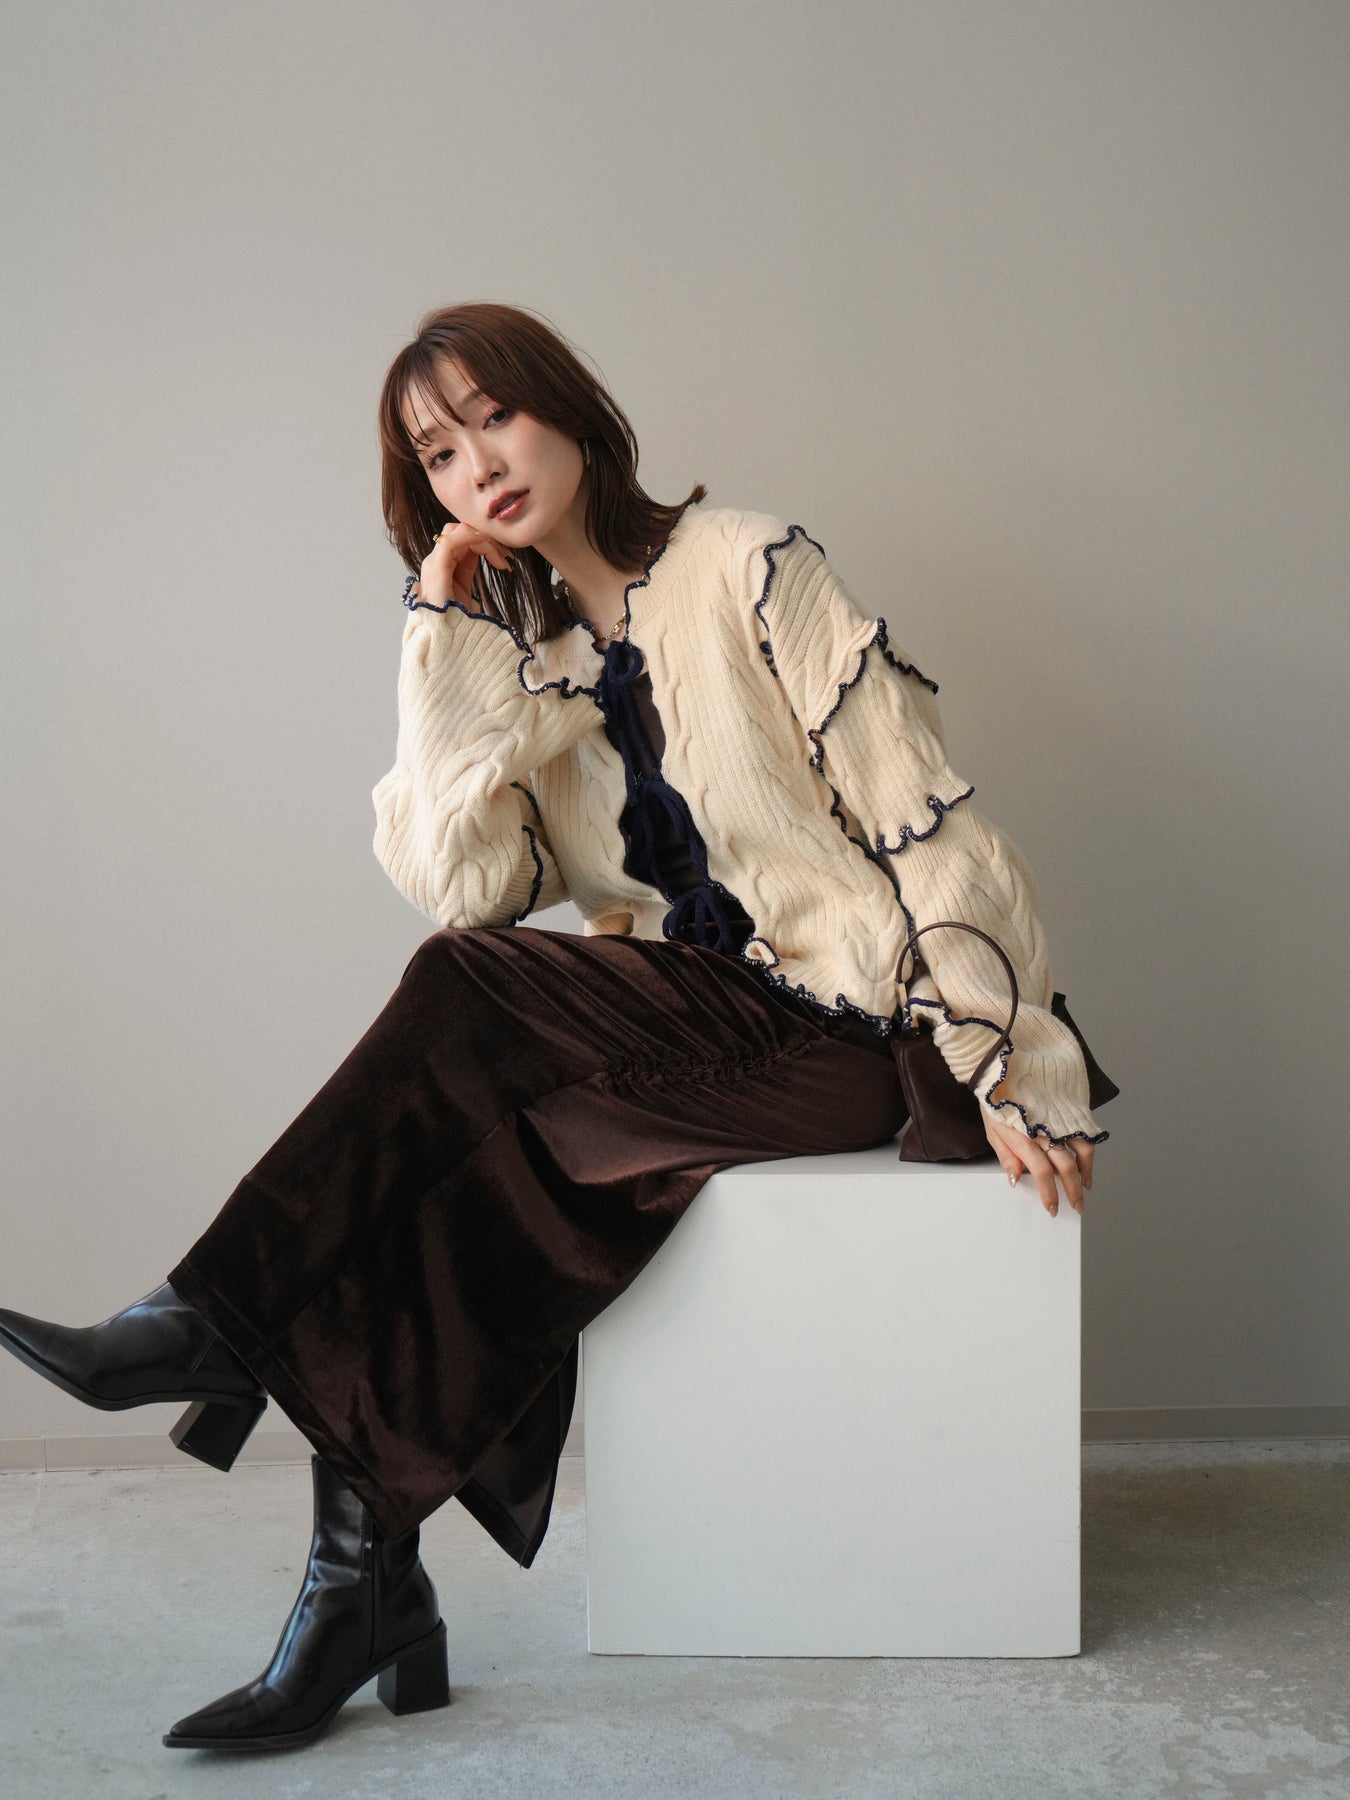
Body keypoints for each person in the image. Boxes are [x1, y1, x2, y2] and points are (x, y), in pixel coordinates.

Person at [0, 300, 1116, 1754]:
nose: (478, 465)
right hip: (690, 1037)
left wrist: (1012, 1063)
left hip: (843, 1030)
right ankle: (360, 1583)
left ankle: (215, 1329)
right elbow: (464, 888)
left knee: (466, 1001)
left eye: (495, 418)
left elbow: (925, 817)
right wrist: (441, 636)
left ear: (571, 410)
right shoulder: (531, 665)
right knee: (457, 1182)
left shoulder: (749, 563)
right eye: (438, 455)